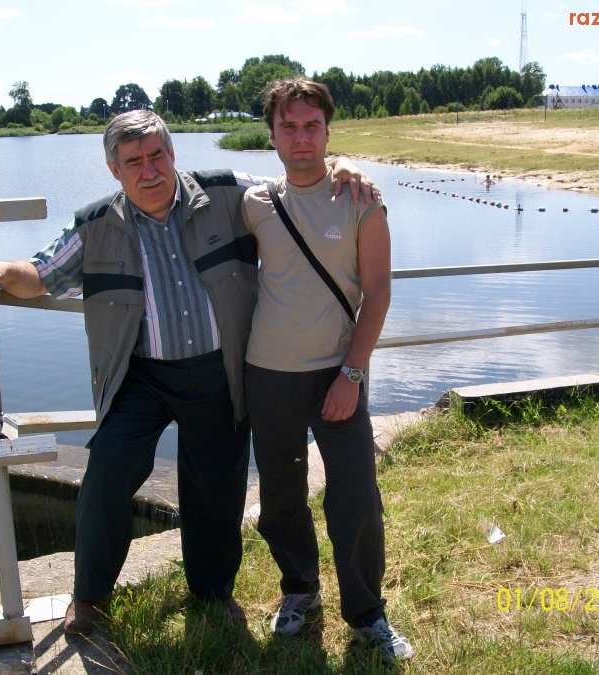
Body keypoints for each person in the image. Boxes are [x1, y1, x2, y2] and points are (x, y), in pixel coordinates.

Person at [0, 110, 376, 636]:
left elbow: (297, 183)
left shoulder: (224, 192)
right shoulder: (96, 224)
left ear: (173, 155)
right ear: (114, 170)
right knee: (106, 466)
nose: (149, 171)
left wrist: (341, 163)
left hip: (219, 374)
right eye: (134, 162)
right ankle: (89, 596)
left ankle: (212, 594)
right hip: (141, 379)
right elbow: (42, 274)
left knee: (215, 490)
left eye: (157, 156)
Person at [241, 78, 413, 663]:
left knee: (357, 496)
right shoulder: (254, 201)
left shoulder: (361, 200)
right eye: (288, 126)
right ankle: (300, 591)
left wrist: (353, 374)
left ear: (328, 131)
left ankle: (368, 614)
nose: (301, 137)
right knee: (281, 496)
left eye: (312, 125)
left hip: (338, 376)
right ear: (272, 137)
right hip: (268, 374)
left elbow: (379, 293)